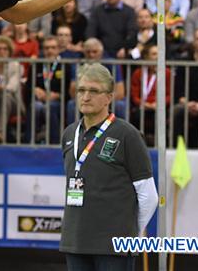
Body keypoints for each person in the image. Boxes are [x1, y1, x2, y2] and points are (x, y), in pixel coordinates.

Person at [60, 63, 158, 271]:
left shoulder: (127, 134)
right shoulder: (69, 134)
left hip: (114, 246)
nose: (85, 97)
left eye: (94, 91)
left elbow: (148, 195)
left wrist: (130, 233)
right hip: (75, 241)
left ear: (109, 97)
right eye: (82, 90)